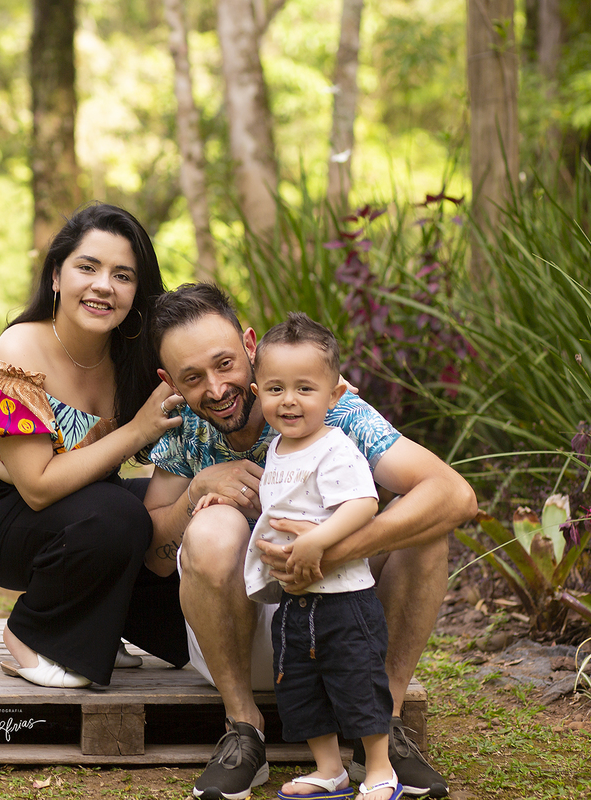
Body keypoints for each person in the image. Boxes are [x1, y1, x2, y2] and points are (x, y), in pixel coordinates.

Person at [144, 283, 478, 800]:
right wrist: (195, 493)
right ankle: (243, 730)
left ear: (250, 347)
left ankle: (382, 728)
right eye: (192, 378)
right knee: (212, 527)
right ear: (170, 382)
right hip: (240, 634)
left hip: (345, 625)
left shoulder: (330, 407)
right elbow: (157, 560)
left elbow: (455, 495)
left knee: (425, 529)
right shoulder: (182, 429)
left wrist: (329, 549)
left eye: (225, 364)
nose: (217, 388)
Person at [0, 202, 189, 689]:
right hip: (0, 515)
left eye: (123, 275)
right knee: (119, 515)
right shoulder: (21, 348)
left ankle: (98, 627)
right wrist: (136, 430)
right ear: (56, 276)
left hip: (87, 507)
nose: (104, 285)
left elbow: (212, 374)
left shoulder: (133, 355)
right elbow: (37, 488)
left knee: (183, 507)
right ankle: (29, 634)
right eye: (88, 267)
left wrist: (308, 393)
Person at [194, 313, 398, 800]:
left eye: (305, 388)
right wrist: (228, 500)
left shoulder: (335, 448)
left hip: (343, 599)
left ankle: (381, 769)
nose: (289, 400)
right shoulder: (280, 451)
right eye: (275, 389)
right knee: (301, 687)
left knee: (357, 680)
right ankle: (329, 770)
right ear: (258, 392)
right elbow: (282, 511)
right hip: (294, 599)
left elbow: (363, 504)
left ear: (335, 395)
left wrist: (319, 541)